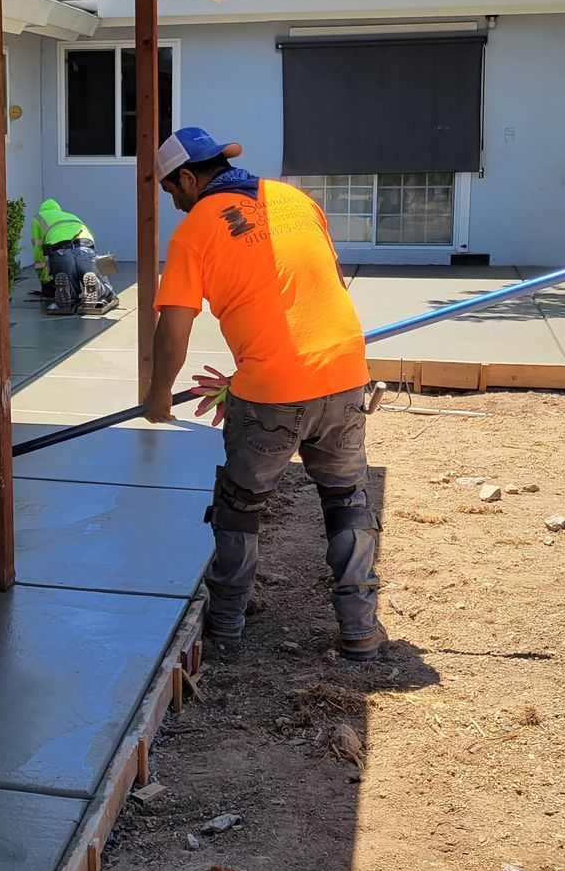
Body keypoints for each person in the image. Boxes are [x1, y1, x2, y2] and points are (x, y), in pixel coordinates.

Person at [142, 127, 384, 662]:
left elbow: (173, 330)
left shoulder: (194, 232)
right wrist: (250, 376)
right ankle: (360, 631)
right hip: (344, 373)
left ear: (188, 177)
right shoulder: (297, 201)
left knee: (239, 505)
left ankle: (226, 627)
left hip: (274, 392)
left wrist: (159, 396)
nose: (176, 204)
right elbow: (317, 290)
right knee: (346, 500)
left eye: (171, 191)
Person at [30, 198, 117, 314]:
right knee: (98, 281)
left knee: (68, 283)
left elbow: (38, 253)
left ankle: (67, 292)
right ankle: (98, 287)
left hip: (61, 252)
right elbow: (92, 244)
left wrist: (44, 279)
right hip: (86, 248)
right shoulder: (71, 216)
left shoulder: (39, 218)